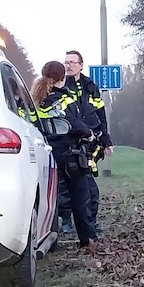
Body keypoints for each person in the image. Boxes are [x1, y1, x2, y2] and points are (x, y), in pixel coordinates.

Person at [30, 60, 101, 253]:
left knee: (48, 199)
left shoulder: (35, 100)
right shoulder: (65, 100)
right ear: (62, 78)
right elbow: (76, 124)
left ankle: (46, 239)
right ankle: (88, 240)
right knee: (81, 198)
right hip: (70, 155)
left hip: (44, 154)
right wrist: (89, 134)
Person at [63, 50, 112, 225]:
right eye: (66, 62)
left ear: (81, 65)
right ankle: (67, 221)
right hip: (67, 141)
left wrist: (106, 141)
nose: (68, 66)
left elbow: (101, 115)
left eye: (72, 62)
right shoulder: (60, 86)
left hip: (89, 143)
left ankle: (90, 222)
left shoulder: (90, 87)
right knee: (65, 186)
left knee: (88, 186)